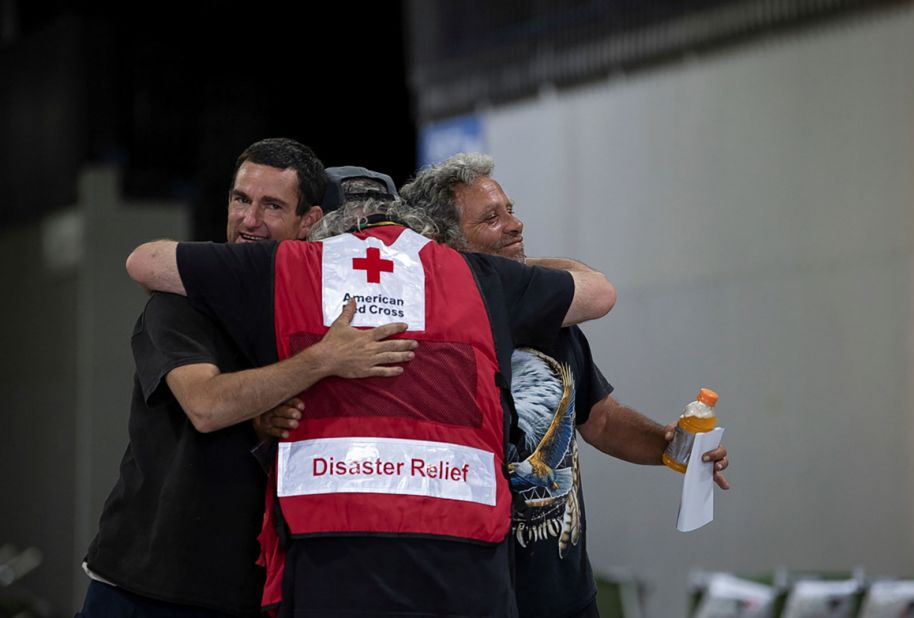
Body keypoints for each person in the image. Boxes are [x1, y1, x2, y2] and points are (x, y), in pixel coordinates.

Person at [124, 192, 616, 617]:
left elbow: (145, 262)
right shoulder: (480, 276)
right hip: (464, 556)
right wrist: (507, 270)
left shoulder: (288, 265)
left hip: (332, 550)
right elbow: (599, 293)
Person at [79, 138, 416, 618]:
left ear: (310, 221)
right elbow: (207, 406)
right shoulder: (181, 299)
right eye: (241, 200)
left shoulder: (332, 315)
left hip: (259, 589)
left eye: (271, 206)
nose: (249, 220)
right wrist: (320, 361)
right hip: (148, 588)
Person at [400, 152, 729, 618]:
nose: (515, 224)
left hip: (564, 597)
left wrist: (670, 445)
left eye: (510, 209)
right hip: (471, 595)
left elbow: (602, 421)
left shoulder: (551, 320)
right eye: (492, 218)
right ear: (445, 242)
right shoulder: (428, 335)